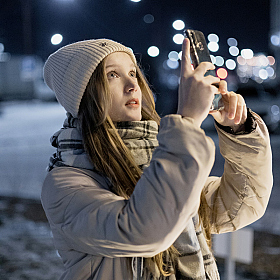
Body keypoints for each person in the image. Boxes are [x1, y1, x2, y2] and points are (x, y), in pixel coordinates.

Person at [41, 38, 273, 280]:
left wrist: (240, 131)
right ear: (82, 94)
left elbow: (240, 204)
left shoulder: (160, 158)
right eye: (112, 75)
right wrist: (188, 122)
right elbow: (144, 231)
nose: (132, 85)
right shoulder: (65, 183)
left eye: (133, 72)